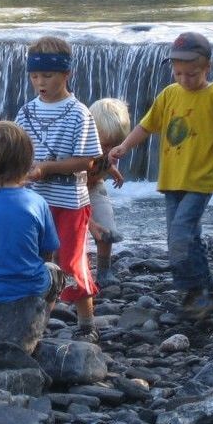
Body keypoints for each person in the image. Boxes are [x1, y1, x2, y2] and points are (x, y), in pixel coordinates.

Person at [110, 31, 213, 320]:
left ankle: (195, 291)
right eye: (179, 74)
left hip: (199, 181)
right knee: (185, 237)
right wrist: (124, 146)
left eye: (192, 74)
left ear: (207, 68)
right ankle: (206, 291)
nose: (185, 80)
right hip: (171, 180)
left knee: (180, 235)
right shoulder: (169, 94)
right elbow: (146, 126)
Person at [14, 36, 103, 342]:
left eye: (48, 76)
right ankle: (33, 321)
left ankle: (87, 322)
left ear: (67, 75)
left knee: (69, 260)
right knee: (34, 260)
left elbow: (88, 161)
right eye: (35, 76)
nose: (40, 82)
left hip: (69, 202)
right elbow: (16, 151)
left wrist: (47, 168)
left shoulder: (79, 113)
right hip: (31, 203)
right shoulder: (25, 113)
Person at [0, 121, 63, 311]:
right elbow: (48, 252)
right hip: (31, 290)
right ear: (27, 163)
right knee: (55, 272)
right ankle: (38, 323)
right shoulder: (38, 203)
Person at [87, 97, 131, 289]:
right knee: (67, 231)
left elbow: (106, 162)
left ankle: (104, 269)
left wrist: (112, 171)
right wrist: (87, 221)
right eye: (104, 145)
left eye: (115, 145)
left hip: (95, 186)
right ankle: (62, 269)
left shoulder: (110, 151)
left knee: (106, 228)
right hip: (72, 191)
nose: (108, 150)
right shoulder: (81, 153)